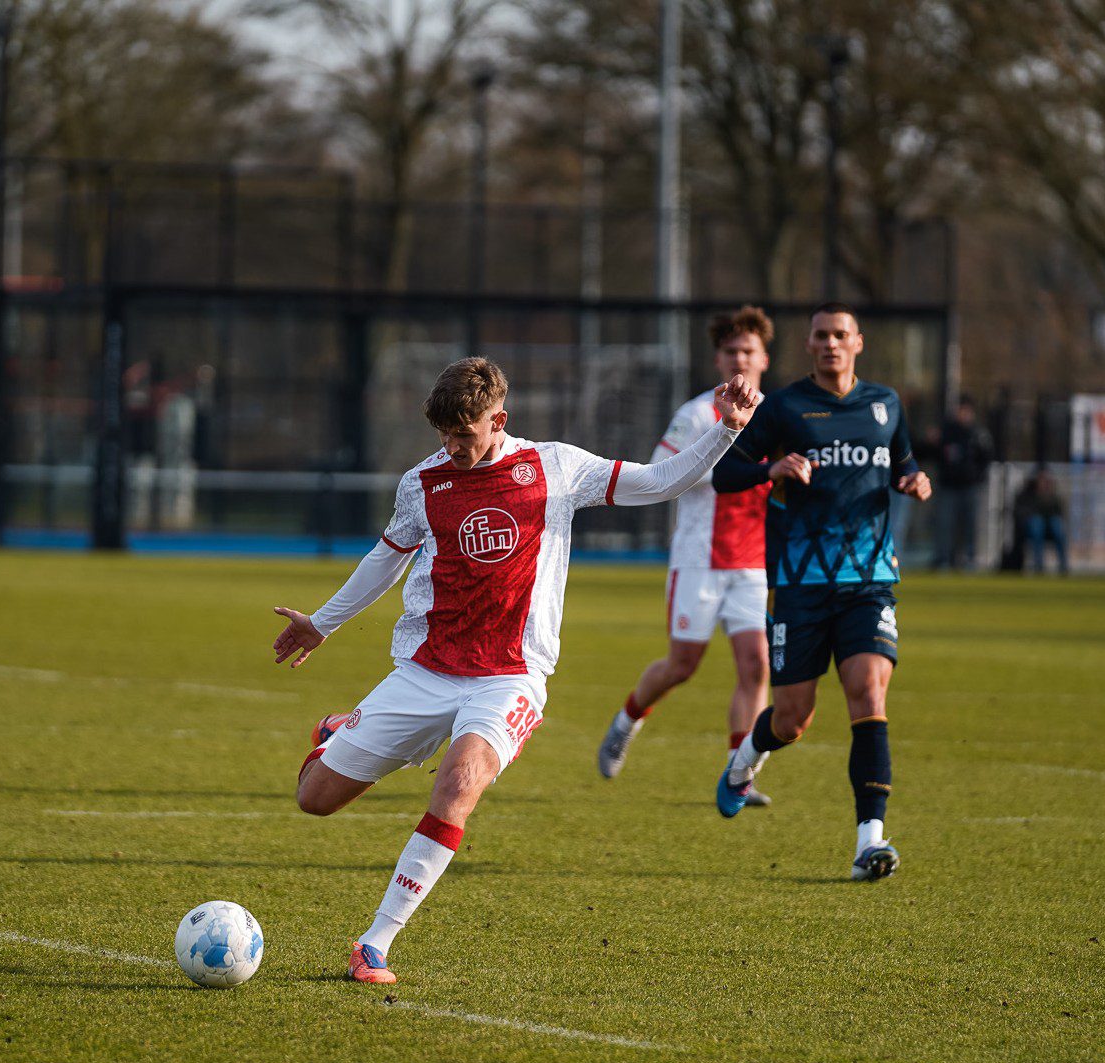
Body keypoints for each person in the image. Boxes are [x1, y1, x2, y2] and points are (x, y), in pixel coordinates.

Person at [271, 357, 762, 983]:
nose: (453, 449)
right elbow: (385, 559)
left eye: (466, 436)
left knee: (459, 782)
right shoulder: (423, 482)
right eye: (444, 437)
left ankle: (374, 943)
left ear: (498, 420)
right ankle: (340, 733)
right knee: (314, 800)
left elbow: (660, 481)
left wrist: (726, 429)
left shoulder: (556, 467)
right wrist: (322, 621)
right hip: (427, 669)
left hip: (510, 674)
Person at [709, 304, 932, 881]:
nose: (830, 343)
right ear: (808, 345)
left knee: (867, 690)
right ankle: (744, 762)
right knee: (792, 719)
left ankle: (869, 842)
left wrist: (915, 478)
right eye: (820, 335)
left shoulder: (885, 405)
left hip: (868, 581)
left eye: (840, 334)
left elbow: (904, 461)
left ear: (858, 341)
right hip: (799, 584)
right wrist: (772, 469)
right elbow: (725, 473)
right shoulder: (783, 406)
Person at [595, 306, 778, 802]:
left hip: (752, 563)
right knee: (682, 665)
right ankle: (627, 719)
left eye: (749, 350)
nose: (740, 358)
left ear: (764, 357)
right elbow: (657, 473)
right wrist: (721, 449)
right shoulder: (698, 414)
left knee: (756, 666)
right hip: (698, 558)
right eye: (731, 350)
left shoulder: (779, 415)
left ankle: (740, 772)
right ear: (719, 358)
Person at [932, 397, 994, 570]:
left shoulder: (978, 434)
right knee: (945, 524)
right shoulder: (947, 432)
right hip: (948, 486)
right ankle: (943, 559)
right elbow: (934, 454)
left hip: (970, 487)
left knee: (970, 525)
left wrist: (977, 478)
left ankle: (969, 558)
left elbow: (986, 458)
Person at [1020, 469, 1068, 574]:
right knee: (1037, 524)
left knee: (1057, 525)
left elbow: (1059, 513)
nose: (1044, 483)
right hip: (1036, 528)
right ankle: (1039, 565)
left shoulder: (1054, 497)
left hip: (1051, 528)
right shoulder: (1030, 496)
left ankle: (1063, 565)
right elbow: (1027, 512)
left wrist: (1047, 495)